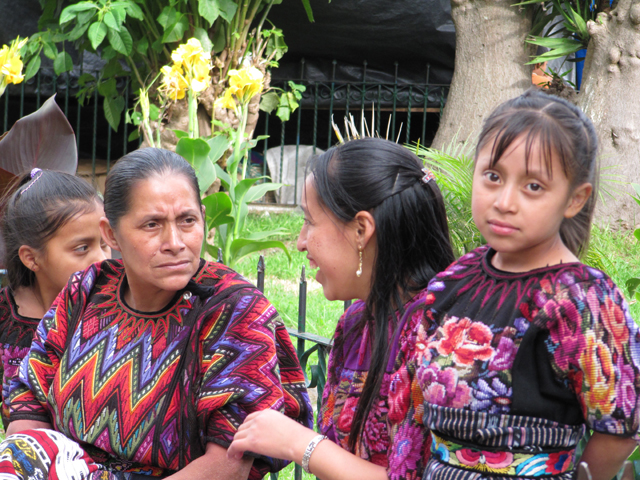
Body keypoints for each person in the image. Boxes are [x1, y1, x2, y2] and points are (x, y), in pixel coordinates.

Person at [2, 148, 313, 480]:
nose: (174, 242)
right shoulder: (88, 290)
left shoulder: (232, 311)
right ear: (111, 233)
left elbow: (230, 462)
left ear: (204, 219)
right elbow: (29, 397)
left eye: (187, 220)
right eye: (152, 224)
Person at [390, 89, 640, 480]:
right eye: (493, 176)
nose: (505, 201)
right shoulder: (454, 282)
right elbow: (412, 405)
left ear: (575, 199)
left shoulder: (583, 300)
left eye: (533, 186)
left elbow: (619, 430)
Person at [228, 138, 456, 480]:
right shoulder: (355, 325)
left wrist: (298, 443)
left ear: (361, 230)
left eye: (310, 222)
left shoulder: (440, 334)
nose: (301, 241)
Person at [0, 169, 110, 431]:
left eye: (104, 244)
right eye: (82, 248)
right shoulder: (4, 315)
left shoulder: (112, 310)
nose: (101, 260)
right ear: (31, 258)